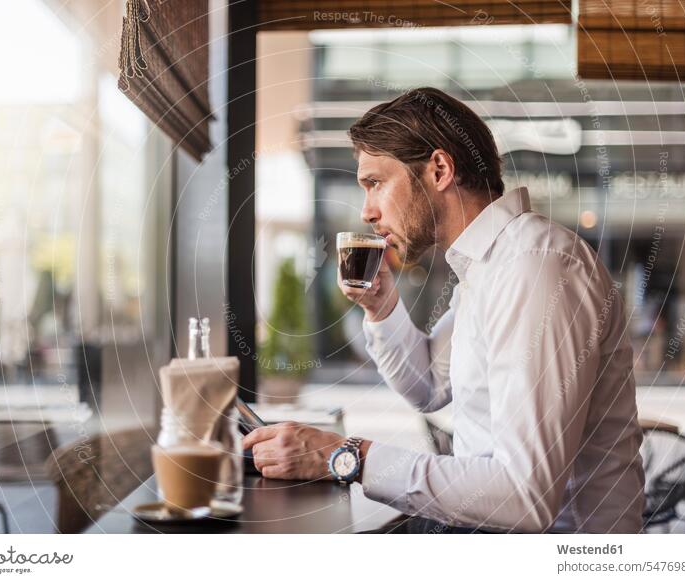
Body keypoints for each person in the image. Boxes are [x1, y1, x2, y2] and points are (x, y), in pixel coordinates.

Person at [243, 87, 645, 533]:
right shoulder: (488, 266)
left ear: (438, 169)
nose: (367, 212)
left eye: (375, 183)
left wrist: (347, 456)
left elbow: (523, 497)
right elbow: (430, 386)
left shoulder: (535, 267)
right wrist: (381, 306)